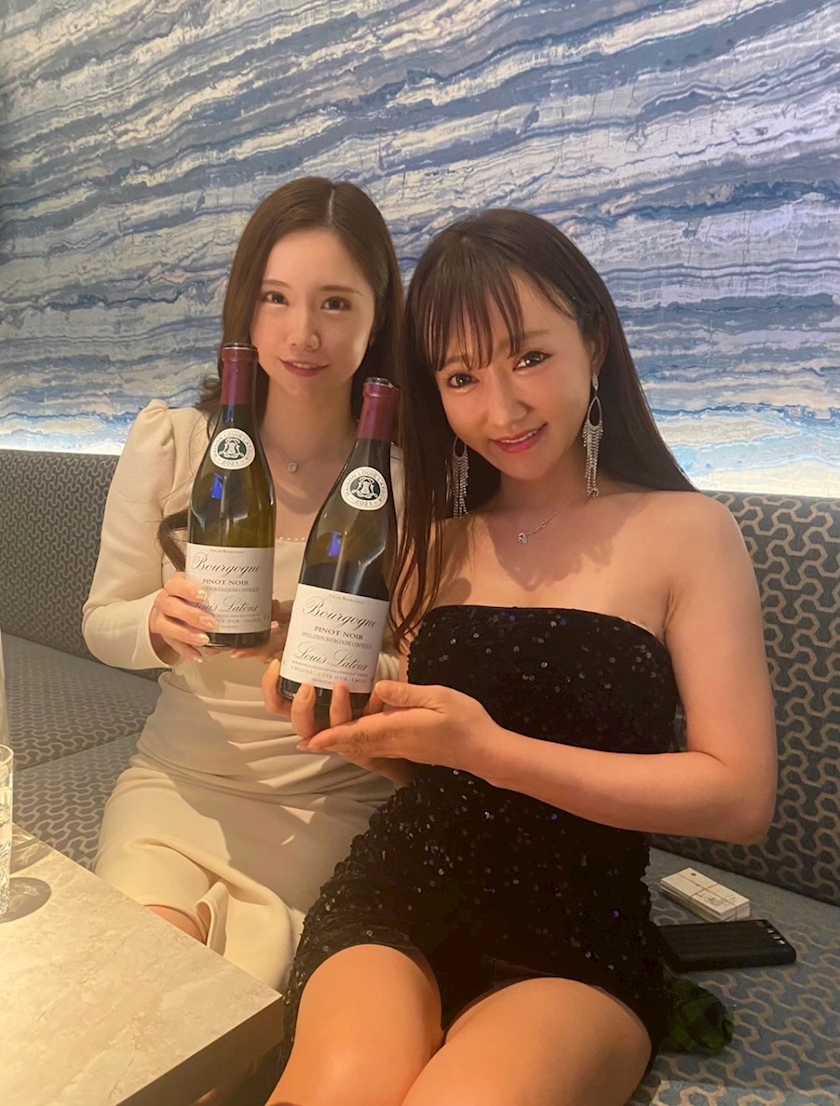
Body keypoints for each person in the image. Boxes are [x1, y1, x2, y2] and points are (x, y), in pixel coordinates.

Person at [263, 209, 778, 1106]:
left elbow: (739, 799)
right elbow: (439, 771)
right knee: (339, 1086)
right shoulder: (435, 542)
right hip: (404, 885)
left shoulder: (688, 532)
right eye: (461, 377)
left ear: (594, 342)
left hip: (574, 931)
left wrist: (489, 749)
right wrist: (368, 734)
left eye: (529, 357)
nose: (500, 409)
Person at [82, 177, 405, 996]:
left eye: (336, 303)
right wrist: (153, 624)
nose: (302, 334)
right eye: (276, 297)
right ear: (244, 308)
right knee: (135, 990)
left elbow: (420, 672)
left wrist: (314, 654)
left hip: (327, 801)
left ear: (377, 318)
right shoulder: (174, 442)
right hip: (176, 785)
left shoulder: (405, 482)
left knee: (227, 1006)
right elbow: (100, 621)